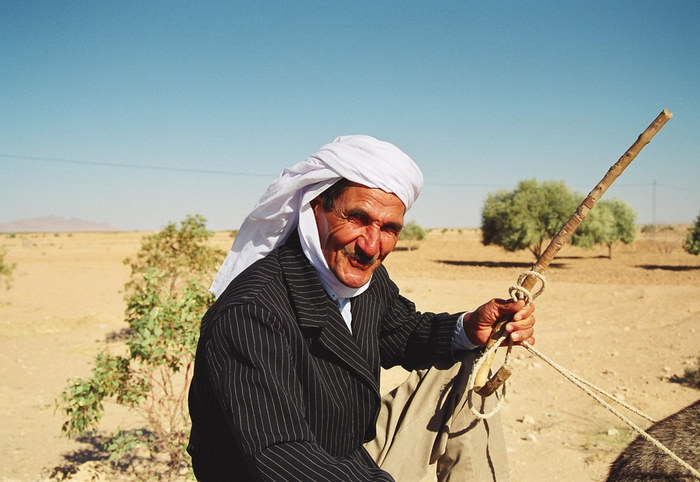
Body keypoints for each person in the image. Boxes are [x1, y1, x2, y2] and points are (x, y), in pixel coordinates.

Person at [187, 135, 535, 481]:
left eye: (389, 229)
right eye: (358, 218)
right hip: (286, 472)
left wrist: (469, 327)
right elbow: (281, 455)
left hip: (351, 454)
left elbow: (405, 332)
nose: (371, 246)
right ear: (317, 207)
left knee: (467, 363)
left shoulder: (362, 281)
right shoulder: (252, 312)